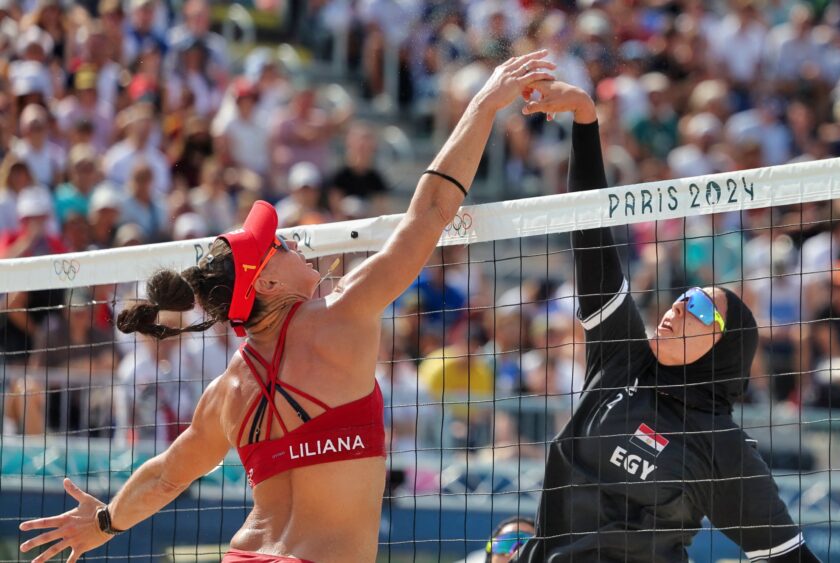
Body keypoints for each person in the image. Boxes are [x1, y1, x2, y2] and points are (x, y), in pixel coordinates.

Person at [17, 51, 556, 563]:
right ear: (268, 282)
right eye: (279, 245)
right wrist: (485, 103)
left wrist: (107, 520)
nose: (294, 242)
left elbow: (165, 476)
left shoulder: (227, 389)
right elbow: (433, 208)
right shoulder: (343, 312)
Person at [511, 81, 819, 563]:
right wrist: (586, 122)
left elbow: (787, 557)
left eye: (699, 308)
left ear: (724, 347)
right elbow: (591, 234)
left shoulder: (722, 447)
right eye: (682, 297)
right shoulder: (622, 357)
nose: (677, 306)